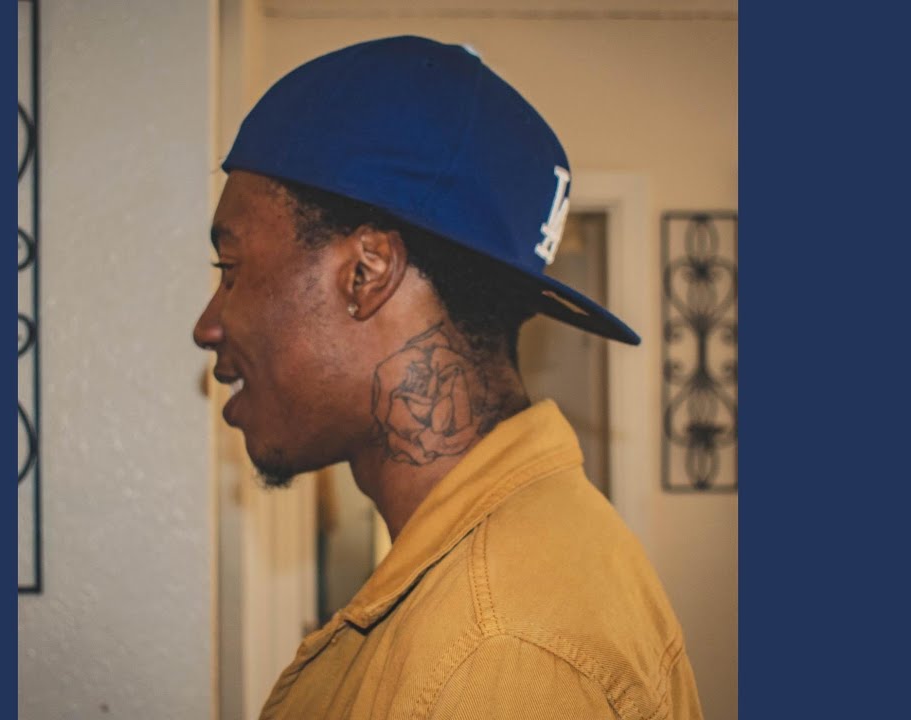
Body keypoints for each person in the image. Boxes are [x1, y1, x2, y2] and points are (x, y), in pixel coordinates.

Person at [193, 36, 703, 720]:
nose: (207, 325)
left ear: (367, 273)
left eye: (230, 270)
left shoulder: (498, 653)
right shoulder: (498, 572)